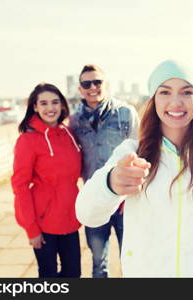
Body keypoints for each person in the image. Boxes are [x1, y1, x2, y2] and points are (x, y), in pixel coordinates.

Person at [76, 60, 193, 277]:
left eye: (187, 92)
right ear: (153, 100)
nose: (176, 102)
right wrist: (110, 184)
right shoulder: (132, 153)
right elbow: (86, 214)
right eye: (165, 92)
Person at [69, 64, 139, 278]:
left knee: (132, 259)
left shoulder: (125, 113)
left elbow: (140, 150)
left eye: (97, 82)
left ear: (105, 84)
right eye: (86, 83)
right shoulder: (74, 120)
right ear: (80, 89)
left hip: (125, 202)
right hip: (95, 200)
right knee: (99, 263)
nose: (93, 87)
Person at [12, 83, 82, 277]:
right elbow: (20, 186)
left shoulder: (69, 134)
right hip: (44, 223)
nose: (50, 108)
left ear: (62, 105)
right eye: (43, 103)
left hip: (70, 220)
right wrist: (31, 229)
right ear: (35, 107)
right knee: (48, 275)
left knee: (73, 274)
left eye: (55, 102)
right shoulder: (27, 141)